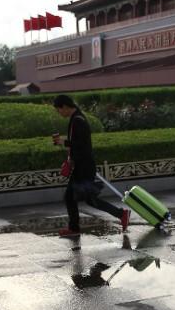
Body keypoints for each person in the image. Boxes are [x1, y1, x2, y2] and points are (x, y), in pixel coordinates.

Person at [52, 94, 130, 238]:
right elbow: (79, 143)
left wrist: (63, 142)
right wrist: (65, 144)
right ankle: (121, 214)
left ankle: (74, 228)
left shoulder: (78, 121)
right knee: (88, 199)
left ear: (64, 106)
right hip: (84, 165)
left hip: (83, 167)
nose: (59, 113)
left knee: (70, 197)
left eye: (59, 110)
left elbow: (81, 145)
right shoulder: (77, 118)